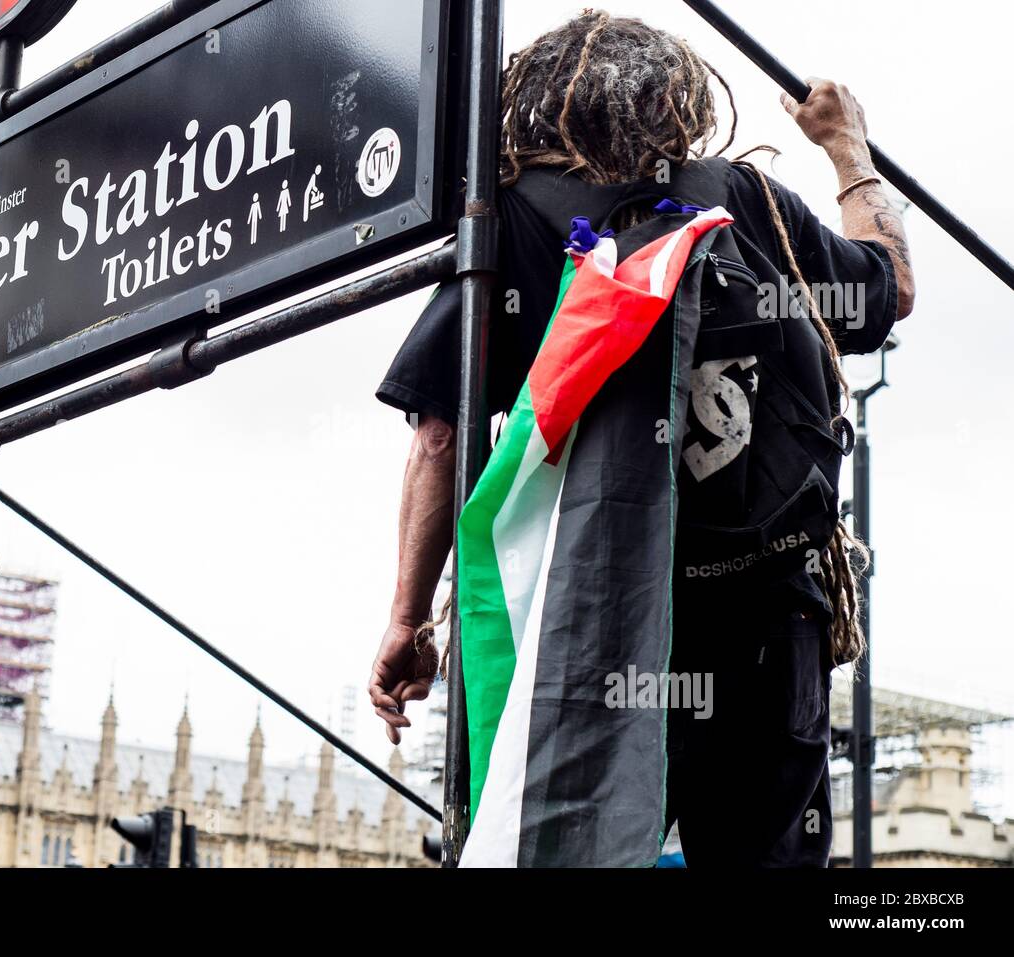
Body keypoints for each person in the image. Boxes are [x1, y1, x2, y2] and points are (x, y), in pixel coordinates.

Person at [368, 9, 914, 867]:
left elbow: (439, 438)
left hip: (591, 612)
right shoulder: (751, 199)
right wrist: (849, 147)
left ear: (538, 104)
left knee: (554, 837)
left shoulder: (509, 220)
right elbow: (888, 292)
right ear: (683, 100)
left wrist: (407, 620)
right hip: (771, 624)